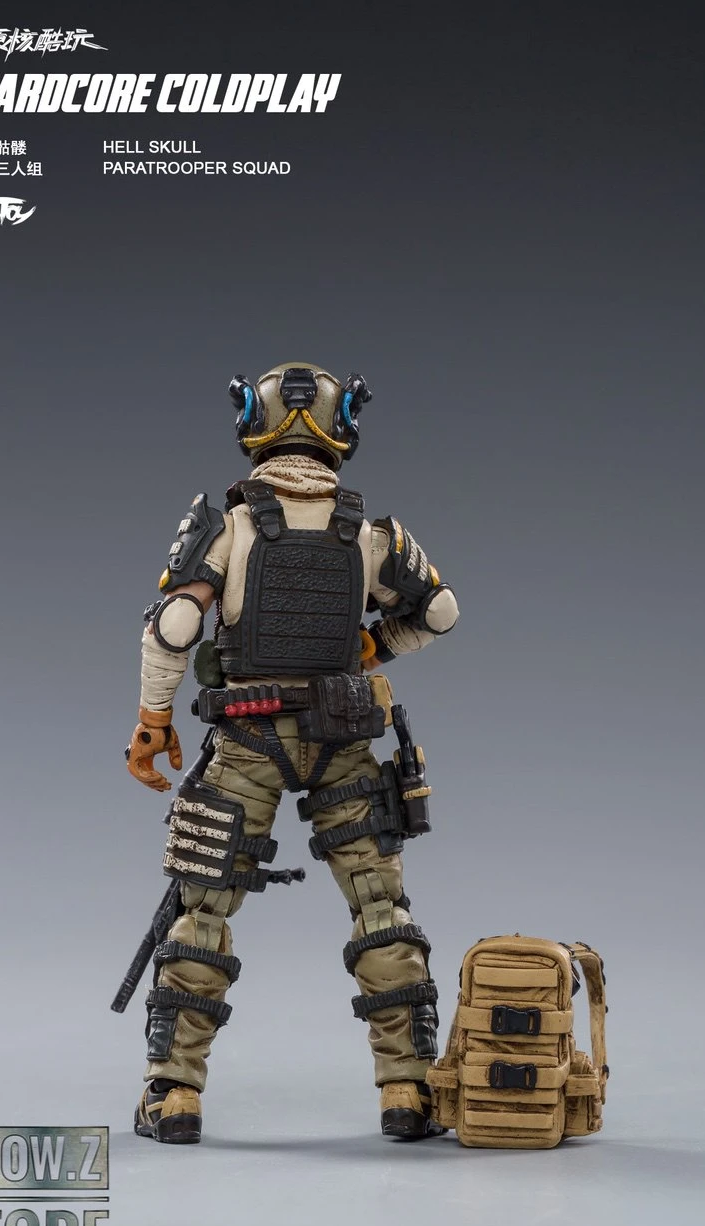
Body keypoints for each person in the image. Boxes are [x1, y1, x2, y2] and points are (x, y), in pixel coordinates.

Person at [125, 362, 459, 1143]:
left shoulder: (229, 528)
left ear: (254, 424)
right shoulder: (371, 535)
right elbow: (441, 610)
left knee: (204, 907)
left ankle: (174, 1096)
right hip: (342, 739)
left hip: (246, 741)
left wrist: (153, 721)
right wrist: (377, 646)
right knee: (381, 907)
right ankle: (408, 1090)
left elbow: (175, 627)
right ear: (341, 430)